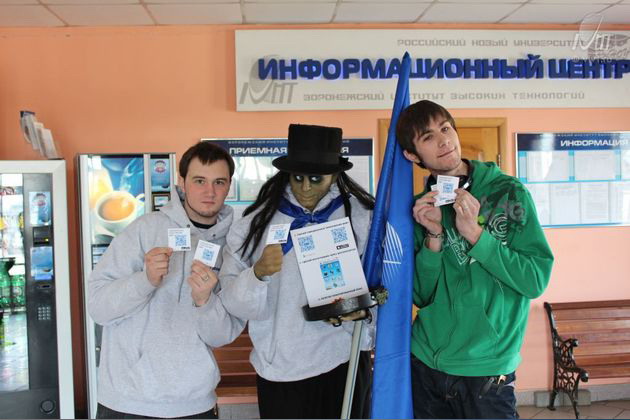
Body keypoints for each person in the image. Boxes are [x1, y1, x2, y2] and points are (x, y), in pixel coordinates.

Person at [396, 100, 554, 419]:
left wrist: (477, 236)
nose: (443, 141)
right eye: (428, 137)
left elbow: (534, 281)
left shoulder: (509, 193)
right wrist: (434, 237)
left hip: (487, 369)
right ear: (412, 155)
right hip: (426, 363)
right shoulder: (421, 209)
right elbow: (421, 296)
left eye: (445, 128)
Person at [219, 124, 375, 419]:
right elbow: (232, 301)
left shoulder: (363, 218)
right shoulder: (256, 225)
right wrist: (257, 274)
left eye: (316, 179)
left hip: (344, 361)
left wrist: (365, 313)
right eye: (298, 177)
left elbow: (385, 284)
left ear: (335, 176)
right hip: (281, 370)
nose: (305, 188)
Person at [89, 142, 245, 419]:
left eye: (219, 182)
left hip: (194, 405)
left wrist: (205, 302)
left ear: (229, 186)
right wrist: (145, 280)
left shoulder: (234, 245)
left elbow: (222, 335)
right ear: (182, 182)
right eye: (199, 181)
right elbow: (98, 308)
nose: (209, 192)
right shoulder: (143, 230)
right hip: (127, 403)